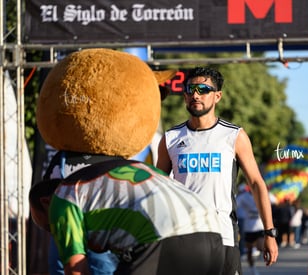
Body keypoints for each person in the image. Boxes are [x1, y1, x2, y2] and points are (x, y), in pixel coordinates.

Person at [156, 66, 278, 274]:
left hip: (223, 236)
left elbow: (257, 184)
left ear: (217, 96)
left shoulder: (234, 136)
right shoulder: (170, 139)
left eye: (203, 89)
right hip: (183, 237)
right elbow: (157, 188)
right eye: (191, 89)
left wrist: (269, 233)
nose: (196, 94)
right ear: (184, 97)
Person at [29, 159, 225, 275]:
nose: (57, 234)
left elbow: (76, 270)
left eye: (51, 228)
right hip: (213, 233)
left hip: (164, 236)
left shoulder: (62, 196)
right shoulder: (127, 167)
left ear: (46, 202)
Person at [236, 185, 265, 275]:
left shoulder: (261, 194)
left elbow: (274, 200)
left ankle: (256, 251)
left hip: (259, 227)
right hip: (249, 228)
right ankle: (253, 269)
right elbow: (235, 204)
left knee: (260, 247)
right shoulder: (243, 197)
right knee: (249, 251)